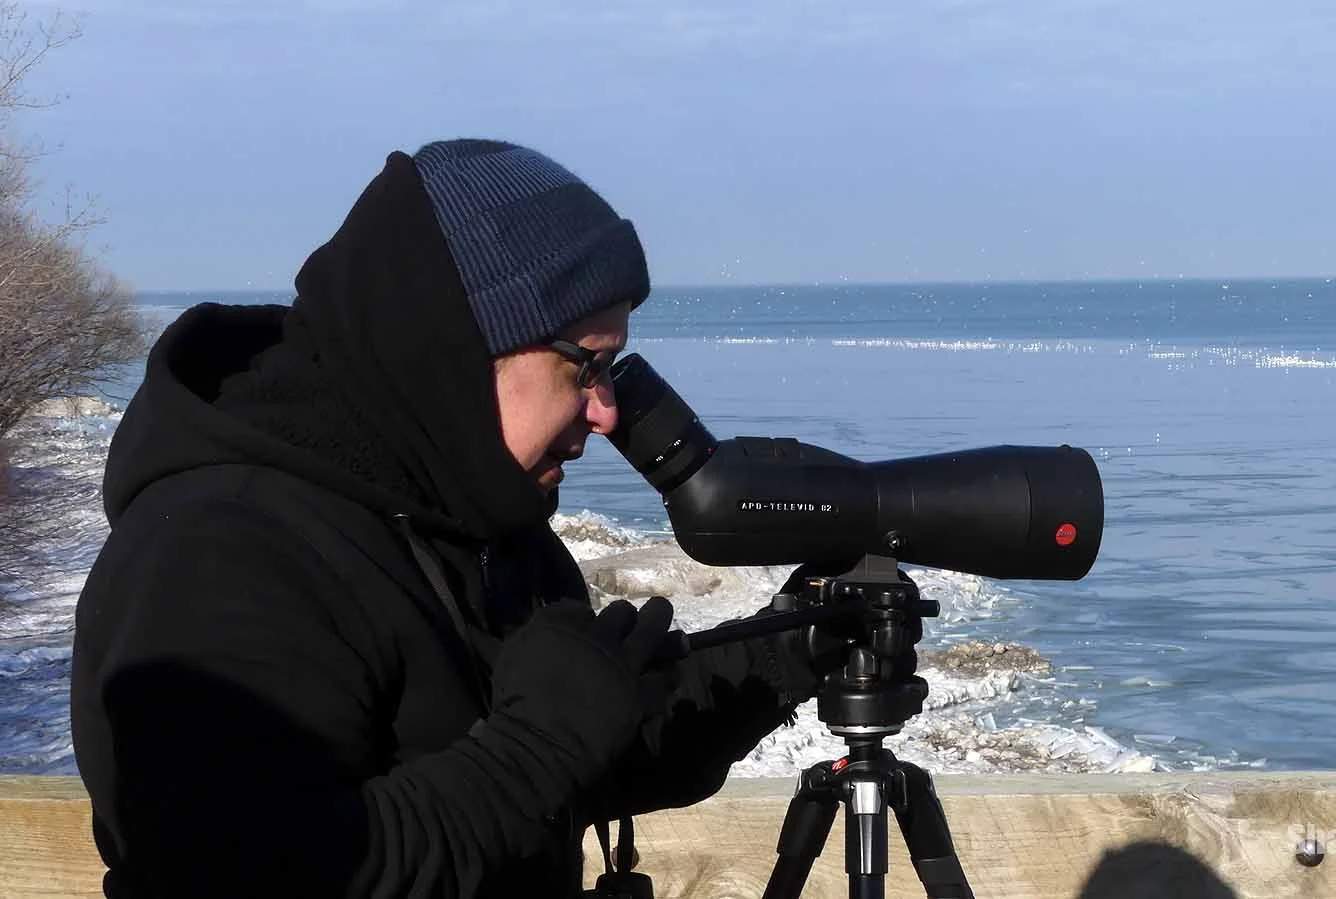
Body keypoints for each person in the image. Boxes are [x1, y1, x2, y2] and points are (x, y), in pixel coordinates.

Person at [69, 138, 841, 898]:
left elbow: (576, 746)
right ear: (459, 345)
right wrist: (539, 744)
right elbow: (274, 869)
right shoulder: (218, 552)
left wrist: (788, 648)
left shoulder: (478, 519)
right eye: (586, 367)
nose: (607, 411)